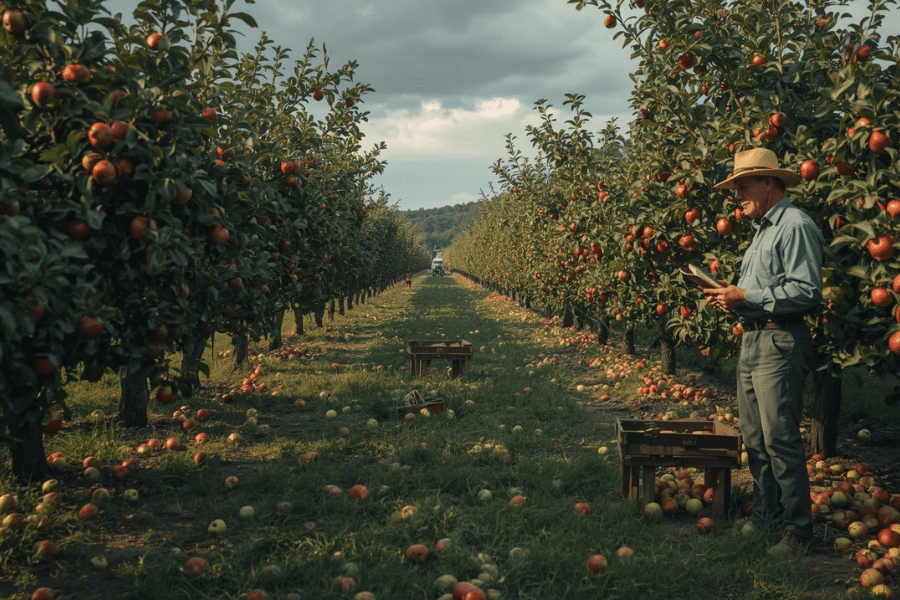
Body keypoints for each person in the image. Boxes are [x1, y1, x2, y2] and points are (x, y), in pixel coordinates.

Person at [702, 148, 824, 557]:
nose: (737, 195)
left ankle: (798, 530)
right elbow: (759, 292)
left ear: (769, 183)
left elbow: (807, 291)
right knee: (755, 439)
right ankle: (766, 516)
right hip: (753, 338)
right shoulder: (761, 231)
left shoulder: (794, 226)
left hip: (780, 340)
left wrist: (748, 294)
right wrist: (731, 298)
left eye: (743, 186)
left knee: (782, 439)